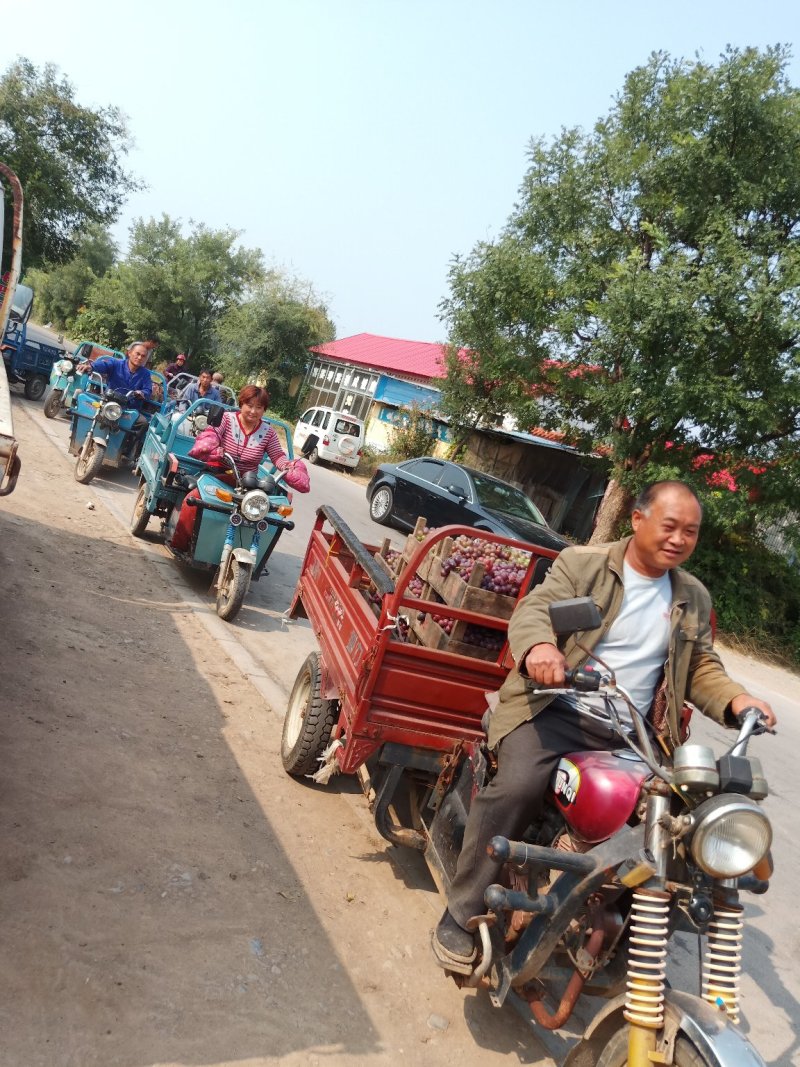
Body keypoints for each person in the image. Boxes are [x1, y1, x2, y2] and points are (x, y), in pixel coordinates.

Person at [432, 480, 777, 971]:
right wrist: (540, 649)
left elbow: (700, 666)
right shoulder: (584, 563)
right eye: (670, 526)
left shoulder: (692, 596)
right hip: (552, 709)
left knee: (674, 821)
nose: (679, 539)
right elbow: (535, 609)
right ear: (638, 520)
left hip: (630, 732)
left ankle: (608, 914)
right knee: (516, 788)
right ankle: (461, 911)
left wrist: (737, 699)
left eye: (691, 532)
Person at [168, 384, 310, 553]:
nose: (253, 411)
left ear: (264, 410)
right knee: (194, 499)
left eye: (259, 407)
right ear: (241, 404)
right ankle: (179, 544)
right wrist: (211, 444)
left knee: (270, 515)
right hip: (217, 474)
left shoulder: (268, 432)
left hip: (248, 483)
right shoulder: (227, 419)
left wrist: (290, 467)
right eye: (249, 406)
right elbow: (212, 432)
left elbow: (278, 456)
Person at [76, 341, 153, 459]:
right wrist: (90, 366)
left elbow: (148, 390)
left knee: (143, 423)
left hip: (129, 409)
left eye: (143, 356)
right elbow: (103, 365)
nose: (139, 357)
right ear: (129, 353)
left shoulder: (145, 374)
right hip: (109, 402)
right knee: (85, 406)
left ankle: (126, 451)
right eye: (137, 354)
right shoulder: (116, 364)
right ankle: (79, 436)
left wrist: (142, 393)